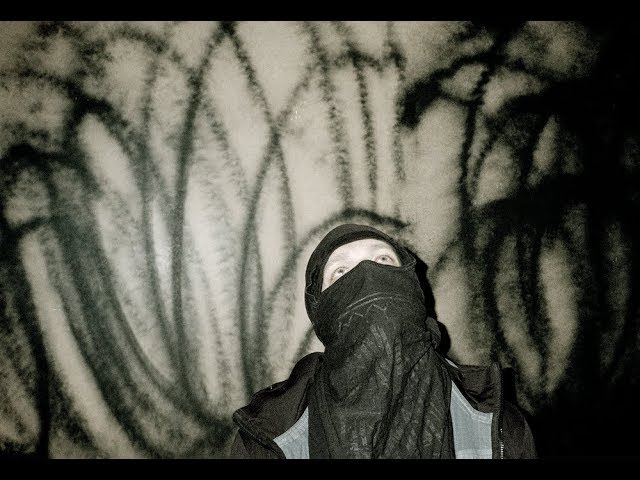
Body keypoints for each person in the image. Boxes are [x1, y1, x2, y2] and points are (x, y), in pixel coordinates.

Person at [228, 223, 537, 459]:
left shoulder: (498, 423)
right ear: (322, 311)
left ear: (411, 286)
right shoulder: (266, 439)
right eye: (341, 271)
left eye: (383, 259)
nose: (368, 273)